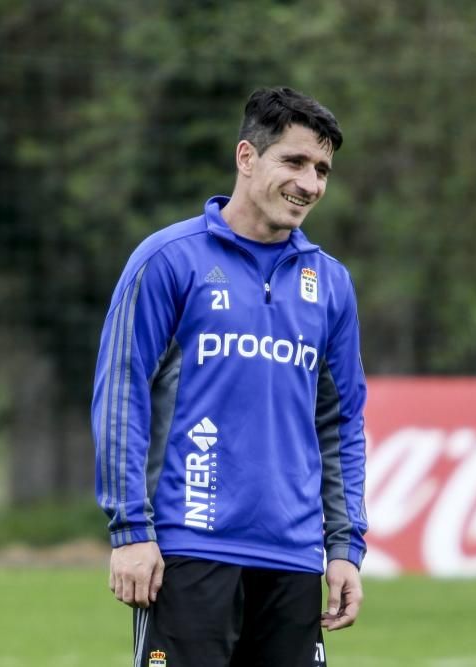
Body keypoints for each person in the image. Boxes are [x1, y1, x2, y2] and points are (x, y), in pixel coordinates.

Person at [92, 86, 368, 667]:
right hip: (189, 546)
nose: (311, 183)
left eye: (322, 169)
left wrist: (343, 548)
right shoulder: (168, 260)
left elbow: (341, 424)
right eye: (294, 161)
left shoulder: (332, 285)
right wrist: (130, 530)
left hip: (293, 558)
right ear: (247, 158)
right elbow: (120, 395)